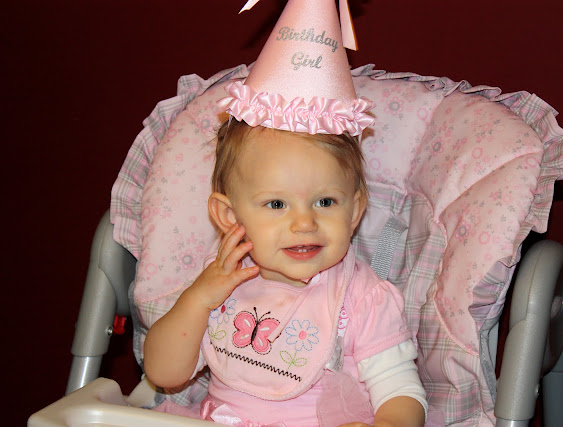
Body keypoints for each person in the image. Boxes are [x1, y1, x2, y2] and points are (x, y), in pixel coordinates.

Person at [144, 0, 427, 425]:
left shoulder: (362, 299)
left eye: (325, 202)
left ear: (355, 212)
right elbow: (164, 374)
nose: (304, 223)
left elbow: (400, 390)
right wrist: (199, 299)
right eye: (276, 204)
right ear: (229, 217)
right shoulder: (220, 282)